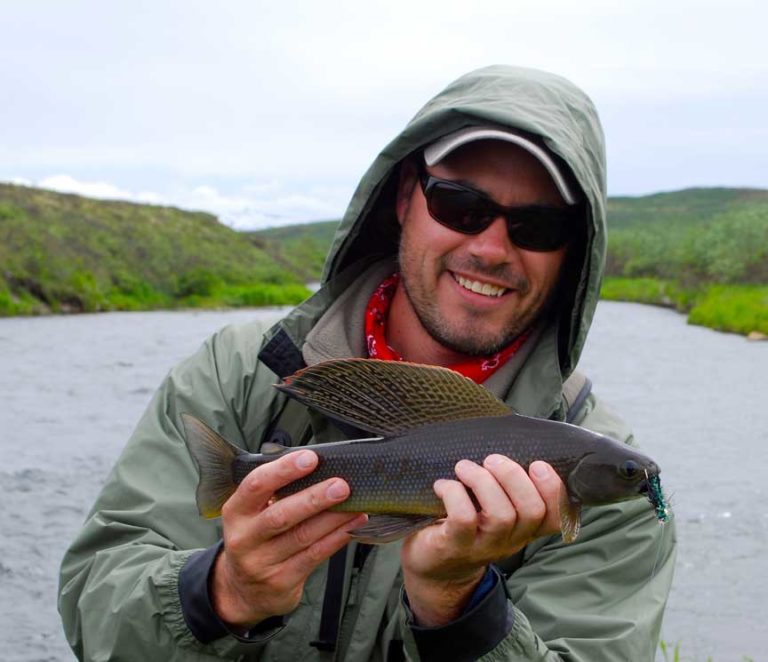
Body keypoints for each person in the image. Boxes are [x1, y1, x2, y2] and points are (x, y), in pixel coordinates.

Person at [59, 65, 676, 661]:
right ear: (406, 195)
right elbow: (96, 606)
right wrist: (221, 593)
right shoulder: (241, 373)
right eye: (460, 204)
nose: (490, 247)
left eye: (538, 225)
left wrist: (459, 609)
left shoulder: (612, 489)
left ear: (575, 250)